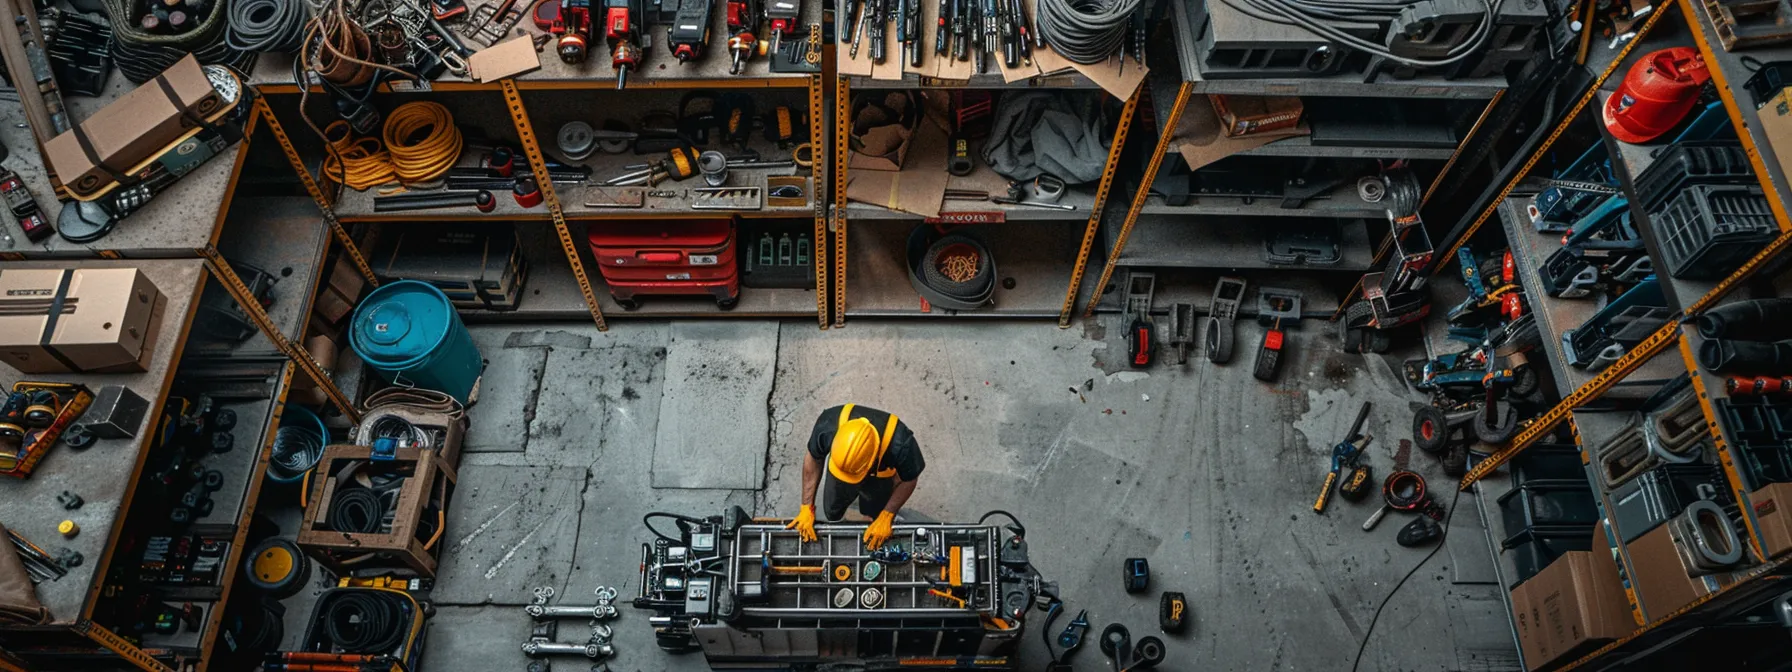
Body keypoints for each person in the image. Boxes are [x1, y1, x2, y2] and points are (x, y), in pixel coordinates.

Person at [786, 403, 925, 549]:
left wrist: (887, 514)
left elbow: (909, 479)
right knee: (832, 509)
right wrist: (807, 507)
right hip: (838, 473)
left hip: (879, 478)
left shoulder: (901, 442)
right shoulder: (828, 424)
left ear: (872, 459)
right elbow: (814, 458)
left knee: (875, 511)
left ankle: (872, 517)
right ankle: (837, 516)